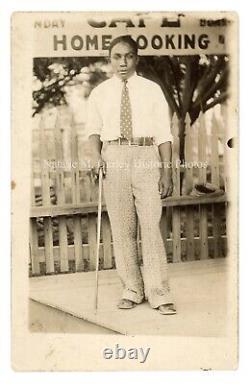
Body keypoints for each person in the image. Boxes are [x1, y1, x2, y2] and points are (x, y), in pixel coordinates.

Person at [87, 35, 176, 315]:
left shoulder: (152, 90)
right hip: (114, 156)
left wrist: (167, 171)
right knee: (123, 229)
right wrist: (96, 156)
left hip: (146, 155)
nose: (122, 62)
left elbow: (164, 134)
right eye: (117, 56)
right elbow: (93, 131)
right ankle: (132, 289)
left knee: (150, 226)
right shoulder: (100, 92)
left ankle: (159, 293)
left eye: (128, 56)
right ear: (110, 59)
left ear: (136, 58)